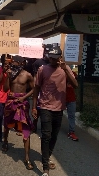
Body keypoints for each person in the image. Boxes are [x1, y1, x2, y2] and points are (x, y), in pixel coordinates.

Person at [32, 46, 78, 176]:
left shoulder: (65, 69)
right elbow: (36, 88)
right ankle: (45, 167)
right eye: (50, 58)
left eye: (55, 58)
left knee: (54, 136)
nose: (52, 60)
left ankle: (47, 155)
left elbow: (75, 85)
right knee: (46, 135)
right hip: (45, 106)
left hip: (59, 108)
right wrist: (34, 106)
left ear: (60, 58)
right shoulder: (42, 69)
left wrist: (66, 70)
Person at [2, 55, 35, 170]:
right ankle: (5, 141)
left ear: (21, 63)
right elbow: (6, 89)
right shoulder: (11, 74)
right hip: (10, 102)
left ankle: (27, 158)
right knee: (6, 124)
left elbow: (34, 88)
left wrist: (24, 97)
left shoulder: (27, 75)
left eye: (15, 62)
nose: (12, 64)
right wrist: (7, 76)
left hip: (22, 103)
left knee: (25, 129)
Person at [0, 54, 10, 142]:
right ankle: (0, 133)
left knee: (8, 117)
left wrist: (9, 74)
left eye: (8, 64)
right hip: (0, 97)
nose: (7, 65)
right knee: (0, 117)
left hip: (9, 97)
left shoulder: (12, 71)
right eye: (6, 63)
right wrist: (3, 72)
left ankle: (6, 134)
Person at [66, 70, 79, 141]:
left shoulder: (73, 73)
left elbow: (75, 84)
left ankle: (71, 132)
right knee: (56, 115)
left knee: (71, 116)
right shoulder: (57, 72)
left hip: (71, 98)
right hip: (60, 98)